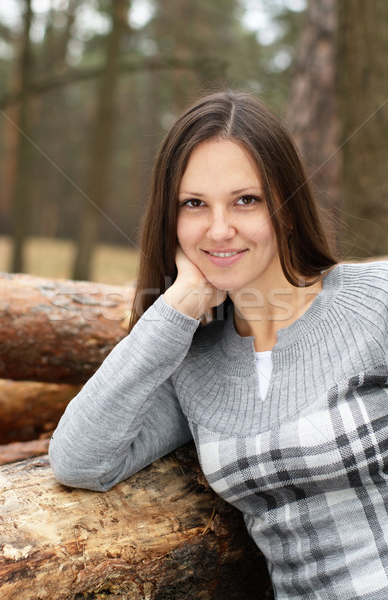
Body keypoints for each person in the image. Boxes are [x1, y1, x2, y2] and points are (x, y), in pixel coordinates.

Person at [49, 90, 388, 599]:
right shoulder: (193, 364)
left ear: (288, 208)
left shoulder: (376, 303)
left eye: (245, 200)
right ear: (172, 221)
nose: (220, 228)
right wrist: (178, 303)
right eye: (194, 205)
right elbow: (80, 460)